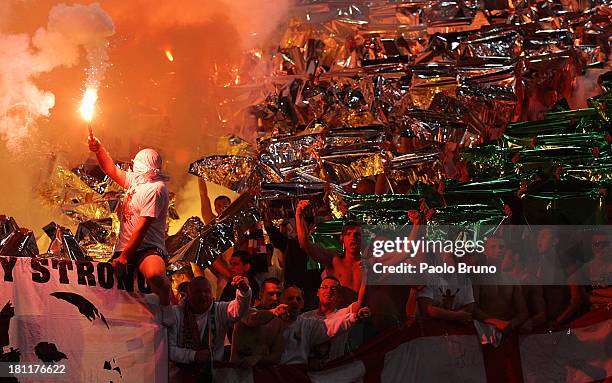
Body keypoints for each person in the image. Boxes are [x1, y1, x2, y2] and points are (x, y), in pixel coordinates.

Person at [88, 135, 173, 319]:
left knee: (155, 275)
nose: (132, 164)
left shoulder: (156, 189)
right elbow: (111, 170)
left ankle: (168, 306)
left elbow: (143, 226)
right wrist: (99, 149)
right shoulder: (136, 182)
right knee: (114, 293)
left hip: (147, 247)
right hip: (124, 248)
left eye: (136, 162)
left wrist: (126, 256)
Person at [168, 276, 251, 382]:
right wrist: (194, 356)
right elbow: (169, 350)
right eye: (197, 291)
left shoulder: (219, 310)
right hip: (181, 377)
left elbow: (239, 310)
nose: (202, 294)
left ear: (211, 294)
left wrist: (244, 291)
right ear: (188, 295)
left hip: (213, 377)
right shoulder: (176, 313)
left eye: (206, 291)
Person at [296, 200, 362, 307]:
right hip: (336, 317)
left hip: (361, 316)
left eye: (357, 235)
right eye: (348, 234)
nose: (352, 238)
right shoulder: (334, 259)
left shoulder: (369, 264)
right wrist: (299, 215)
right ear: (342, 238)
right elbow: (305, 244)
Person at [301, 276, 366, 369]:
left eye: (333, 288)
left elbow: (359, 303)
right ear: (318, 292)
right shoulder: (304, 317)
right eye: (324, 287)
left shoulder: (343, 314)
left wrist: (366, 276)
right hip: (308, 373)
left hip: (334, 372)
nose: (328, 291)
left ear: (339, 296)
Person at [230, 278, 285, 367]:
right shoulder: (246, 311)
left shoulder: (278, 322)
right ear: (261, 295)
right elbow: (253, 319)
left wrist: (256, 359)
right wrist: (274, 312)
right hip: (239, 373)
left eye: (278, 294)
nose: (275, 298)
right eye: (270, 294)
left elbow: (276, 356)